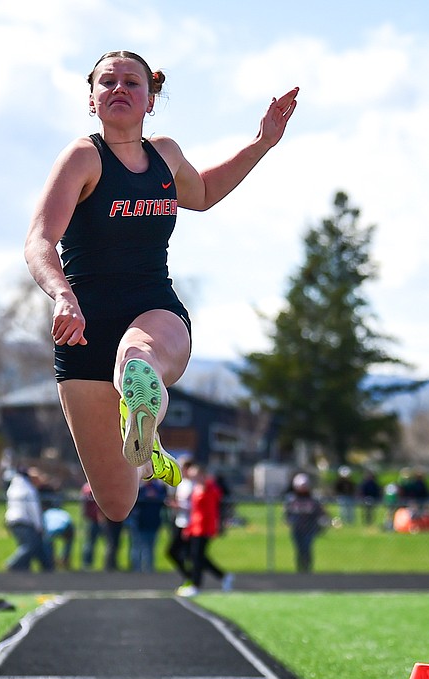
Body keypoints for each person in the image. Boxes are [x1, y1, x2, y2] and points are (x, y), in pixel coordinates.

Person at [23, 50, 298, 524]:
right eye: (107, 82)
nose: (119, 89)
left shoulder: (165, 155)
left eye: (132, 82)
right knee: (117, 502)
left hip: (153, 308)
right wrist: (63, 295)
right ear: (92, 99)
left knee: (138, 355)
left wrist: (261, 144)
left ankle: (141, 394)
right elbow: (38, 241)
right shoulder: (83, 158)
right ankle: (149, 443)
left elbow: (205, 194)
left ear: (151, 98)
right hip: (85, 328)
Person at [177, 462, 232, 596]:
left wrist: (213, 527)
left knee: (197, 556)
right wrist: (188, 528)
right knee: (197, 556)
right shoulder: (197, 489)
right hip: (195, 526)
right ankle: (223, 576)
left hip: (205, 527)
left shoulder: (210, 488)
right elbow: (194, 510)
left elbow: (212, 510)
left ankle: (196, 585)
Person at [4, 468, 53, 572]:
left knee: (26, 545)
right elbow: (33, 511)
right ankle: (12, 564)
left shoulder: (13, 488)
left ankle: (25, 568)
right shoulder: (29, 490)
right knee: (30, 546)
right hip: (24, 522)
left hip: (11, 521)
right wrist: (39, 526)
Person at [284, 473, 326, 573]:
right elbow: (287, 514)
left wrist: (322, 521)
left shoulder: (313, 499)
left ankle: (307, 569)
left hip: (309, 529)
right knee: (299, 550)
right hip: (297, 529)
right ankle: (300, 570)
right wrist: (288, 520)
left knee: (307, 548)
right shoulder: (292, 499)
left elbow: (320, 512)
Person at [129, 477, 168, 572]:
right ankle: (136, 569)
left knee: (150, 547)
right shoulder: (138, 489)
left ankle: (148, 569)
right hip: (139, 522)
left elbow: (164, 499)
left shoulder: (158, 488)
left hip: (153, 522)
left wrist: (154, 497)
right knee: (137, 546)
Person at [78, 481, 104, 570]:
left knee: (109, 544)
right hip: (93, 519)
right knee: (90, 543)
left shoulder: (88, 486)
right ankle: (86, 564)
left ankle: (109, 564)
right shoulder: (88, 488)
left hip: (101, 519)